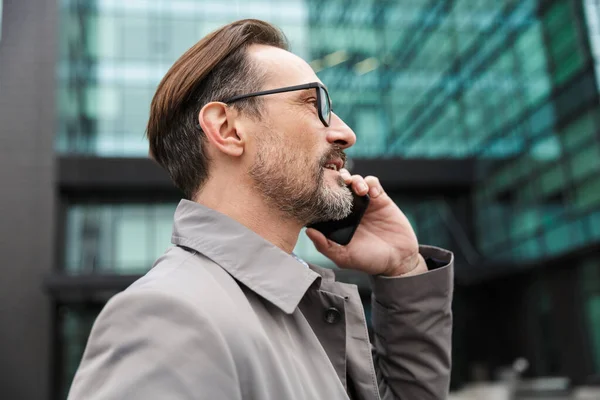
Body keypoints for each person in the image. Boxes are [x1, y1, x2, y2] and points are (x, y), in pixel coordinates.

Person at [68, 19, 454, 400]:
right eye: (313, 103)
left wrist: (404, 269)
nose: (345, 133)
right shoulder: (167, 317)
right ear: (228, 129)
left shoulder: (295, 309)